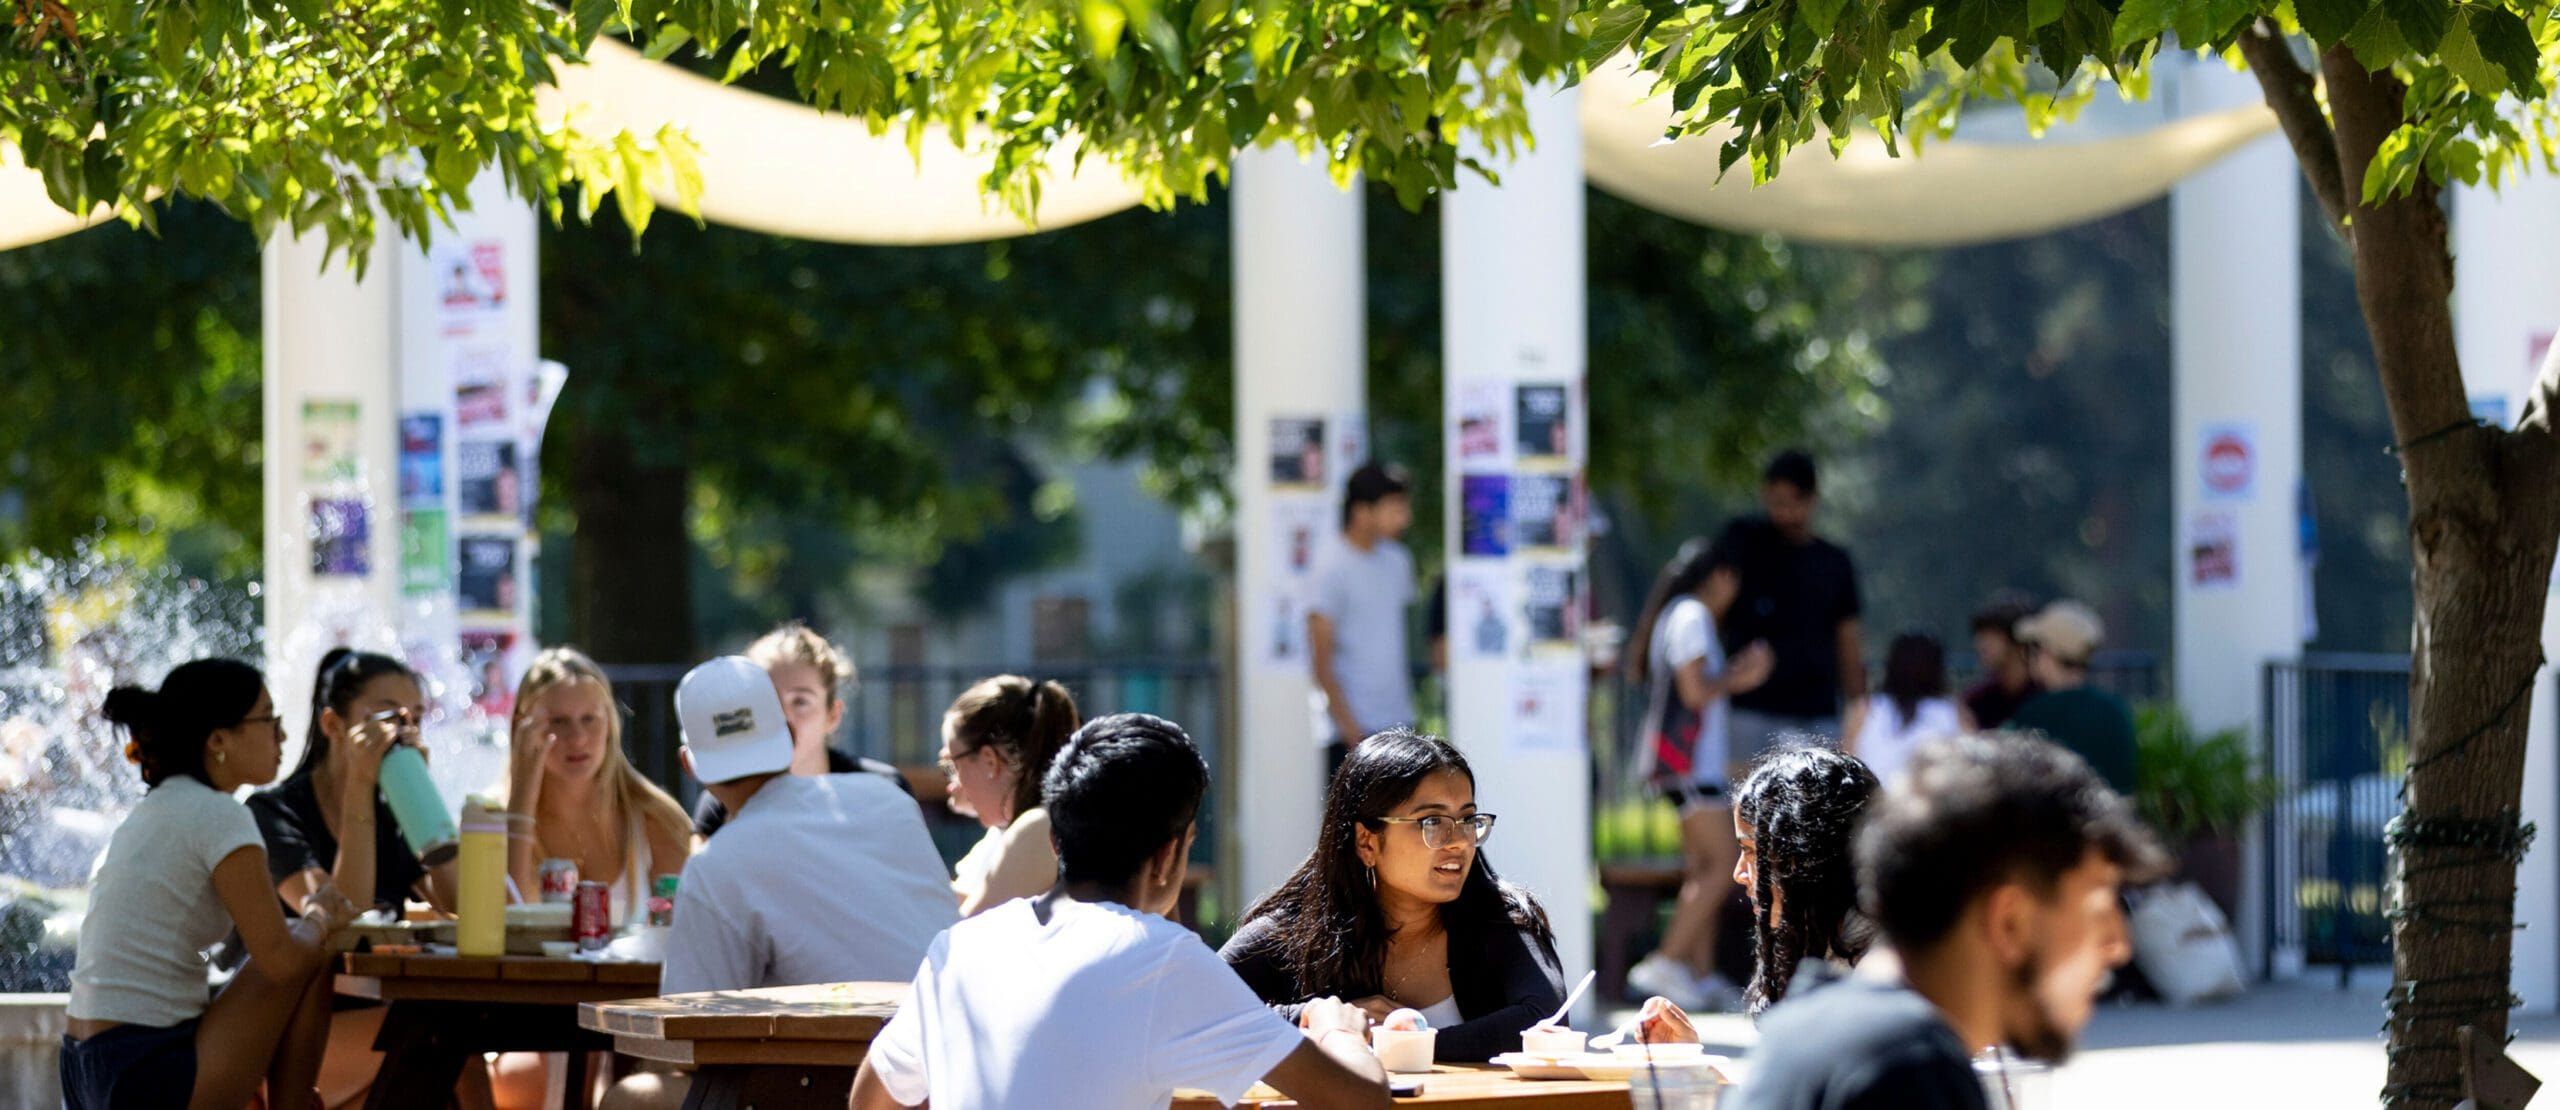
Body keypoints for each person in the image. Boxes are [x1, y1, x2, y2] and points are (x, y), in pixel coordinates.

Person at [852, 714, 1392, 1110]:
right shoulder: (1159, 960)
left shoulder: (964, 946)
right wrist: (1337, 1026)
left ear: (1056, 842)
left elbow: (872, 1097)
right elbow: (1361, 1102)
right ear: (1169, 854)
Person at [1733, 735, 2167, 1110]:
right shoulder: (1906, 1066)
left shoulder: (1826, 1026)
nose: (2118, 945)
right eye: (2097, 908)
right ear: (2009, 921)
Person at [62, 659, 363, 1110]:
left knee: (300, 942)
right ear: (218, 740)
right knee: (309, 949)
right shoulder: (221, 814)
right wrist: (319, 916)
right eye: (268, 719)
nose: (282, 735)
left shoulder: (155, 808)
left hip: (81, 1065)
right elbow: (280, 962)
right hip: (145, 1069)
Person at [1222, 727, 1564, 1063]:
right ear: (1367, 842)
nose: (1459, 841)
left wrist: (1400, 1045)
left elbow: (1546, 1020)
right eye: (1432, 822)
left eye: (1467, 819)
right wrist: (1319, 1019)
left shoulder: (1500, 917)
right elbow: (1194, 1008)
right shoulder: (1293, 934)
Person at [246, 649, 465, 1107]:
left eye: (414, 720)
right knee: (444, 1034)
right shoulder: (272, 814)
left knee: (457, 1039)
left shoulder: (395, 815)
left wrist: (421, 800)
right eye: (386, 716)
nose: (400, 733)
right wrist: (361, 789)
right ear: (333, 726)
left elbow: (461, 901)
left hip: (375, 1015)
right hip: (285, 1038)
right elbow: (341, 917)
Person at [1622, 537, 1773, 1010]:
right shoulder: (1692, 616)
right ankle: (1664, 962)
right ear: (1722, 578)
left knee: (1702, 869)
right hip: (1690, 767)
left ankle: (1698, 974)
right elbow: (1694, 691)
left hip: (1680, 766)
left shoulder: (1677, 614)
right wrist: (1741, 676)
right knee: (1725, 866)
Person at [504, 646, 692, 927]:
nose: (577, 738)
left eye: (589, 718)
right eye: (558, 721)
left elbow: (686, 934)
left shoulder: (655, 817)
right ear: (522, 726)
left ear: (611, 722)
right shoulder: (490, 822)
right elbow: (506, 923)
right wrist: (521, 799)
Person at [691, 622, 911, 840]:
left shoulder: (883, 791)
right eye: (768, 698)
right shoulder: (722, 802)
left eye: (801, 701)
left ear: (832, 715)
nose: (785, 716)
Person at [1714, 450, 1865, 761]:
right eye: (1775, 501)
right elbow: (1712, 605)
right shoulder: (1743, 543)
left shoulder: (1834, 563)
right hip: (1750, 709)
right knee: (1746, 801)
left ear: (1812, 500)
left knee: (1819, 804)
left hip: (1816, 710)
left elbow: (1848, 639)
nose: (1782, 512)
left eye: (1792, 501)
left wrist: (1858, 704)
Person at [1730, 746, 1880, 1017]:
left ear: (1803, 858)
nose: (1739, 873)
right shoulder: (1813, 939)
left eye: (1752, 851)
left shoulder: (1882, 970)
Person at [1308, 461, 1418, 782]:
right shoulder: (1331, 566)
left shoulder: (1399, 561)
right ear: (1361, 511)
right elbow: (1321, 662)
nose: (1404, 517)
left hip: (1399, 726)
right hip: (1351, 736)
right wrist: (1352, 735)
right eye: (1394, 507)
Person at [939, 675, 1082, 916]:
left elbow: (959, 936)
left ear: (989, 761)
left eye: (953, 766)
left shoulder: (1038, 826)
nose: (952, 781)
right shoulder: (1026, 825)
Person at [2005, 600, 2139, 796]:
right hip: (2112, 820)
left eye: (2034, 648)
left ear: (2048, 652)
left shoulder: (2034, 714)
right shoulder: (2116, 709)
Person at [1842, 632, 1960, 785]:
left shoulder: (1863, 709)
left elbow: (1846, 765)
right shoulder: (1954, 713)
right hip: (1933, 805)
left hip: (1873, 803)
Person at [1958, 599, 2041, 730]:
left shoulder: (2045, 696)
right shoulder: (1977, 700)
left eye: (1993, 636)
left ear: (2018, 641)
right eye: (1980, 635)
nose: (1981, 645)